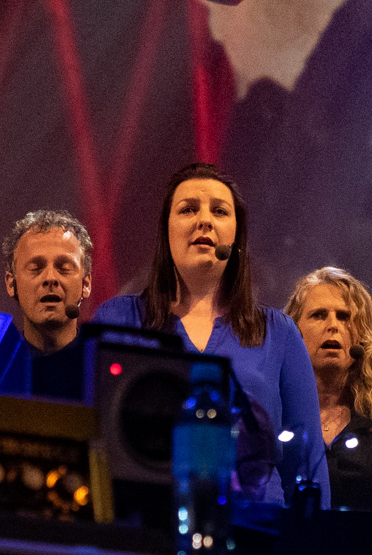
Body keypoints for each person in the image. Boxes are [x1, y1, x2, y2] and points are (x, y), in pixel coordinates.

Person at [92, 163, 327, 509]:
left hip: (257, 527)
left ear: (236, 238)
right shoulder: (117, 319)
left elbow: (307, 462)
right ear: (166, 232)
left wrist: (317, 535)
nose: (204, 220)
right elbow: (93, 441)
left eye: (219, 211)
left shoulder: (279, 333)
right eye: (188, 209)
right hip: (145, 517)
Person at [286, 266, 372, 511]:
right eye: (318, 315)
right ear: (294, 330)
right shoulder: (276, 415)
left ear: (361, 337)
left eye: (344, 317)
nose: (333, 325)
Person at [3, 207, 93, 362]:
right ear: (12, 284)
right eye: (35, 268)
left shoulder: (101, 365)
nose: (50, 278)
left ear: (85, 284)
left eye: (64, 268)